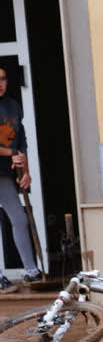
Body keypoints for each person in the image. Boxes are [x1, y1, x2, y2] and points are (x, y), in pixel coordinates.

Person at [0, 62, 43, 292]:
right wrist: (11, 154)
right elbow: (13, 149)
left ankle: (31, 270)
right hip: (7, 164)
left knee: (19, 218)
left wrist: (26, 171)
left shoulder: (13, 107)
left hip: (5, 174)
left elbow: (21, 140)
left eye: (3, 79)